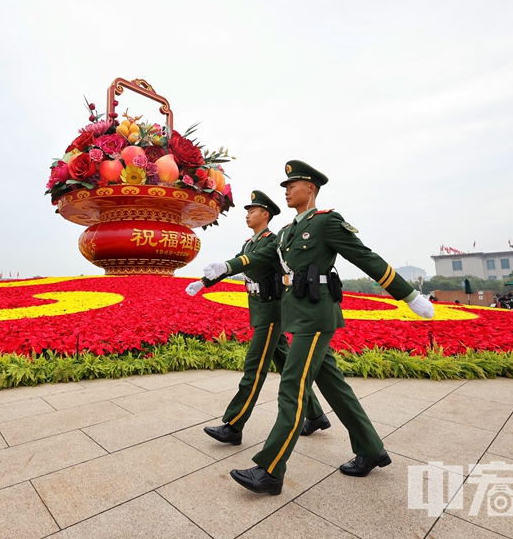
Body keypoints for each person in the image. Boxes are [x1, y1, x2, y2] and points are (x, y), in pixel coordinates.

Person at [200, 160, 434, 495]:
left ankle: (270, 470)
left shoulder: (326, 222)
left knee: (292, 388)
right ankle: (370, 448)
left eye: (292, 184)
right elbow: (263, 255)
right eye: (285, 185)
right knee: (334, 386)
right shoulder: (287, 232)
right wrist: (225, 267)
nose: (286, 190)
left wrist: (407, 294)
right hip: (298, 313)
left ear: (310, 188)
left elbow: (365, 257)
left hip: (316, 316)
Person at [185, 190, 328, 446]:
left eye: (252, 211)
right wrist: (204, 281)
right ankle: (315, 414)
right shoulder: (250, 242)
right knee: (284, 364)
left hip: (272, 312)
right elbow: (239, 264)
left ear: (265, 214)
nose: (248, 215)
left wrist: (226, 267)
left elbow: (249, 261)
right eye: (247, 211)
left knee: (254, 367)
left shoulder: (273, 242)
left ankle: (233, 425)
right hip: (260, 309)